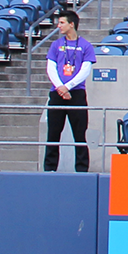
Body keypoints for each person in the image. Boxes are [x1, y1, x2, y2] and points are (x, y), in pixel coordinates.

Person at [42, 9, 95, 173]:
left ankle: (81, 169)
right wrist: (60, 87)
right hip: (57, 94)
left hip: (76, 94)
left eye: (62, 23)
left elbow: (85, 70)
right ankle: (50, 168)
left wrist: (68, 86)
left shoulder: (86, 46)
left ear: (72, 24)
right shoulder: (56, 45)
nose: (59, 26)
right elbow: (50, 67)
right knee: (53, 133)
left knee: (79, 134)